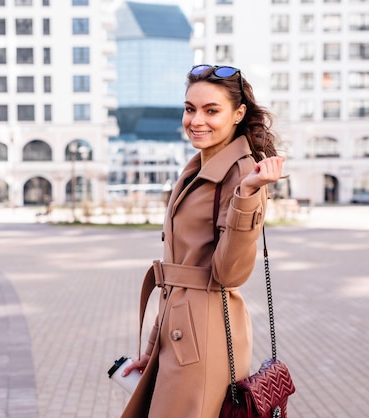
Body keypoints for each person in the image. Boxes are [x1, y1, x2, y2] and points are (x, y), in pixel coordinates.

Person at [120, 65, 285, 418]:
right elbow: (180, 269)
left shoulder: (243, 175)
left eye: (212, 110)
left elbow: (229, 274)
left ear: (238, 114)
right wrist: (154, 346)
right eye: (190, 108)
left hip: (205, 336)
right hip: (179, 330)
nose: (196, 120)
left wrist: (247, 195)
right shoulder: (197, 166)